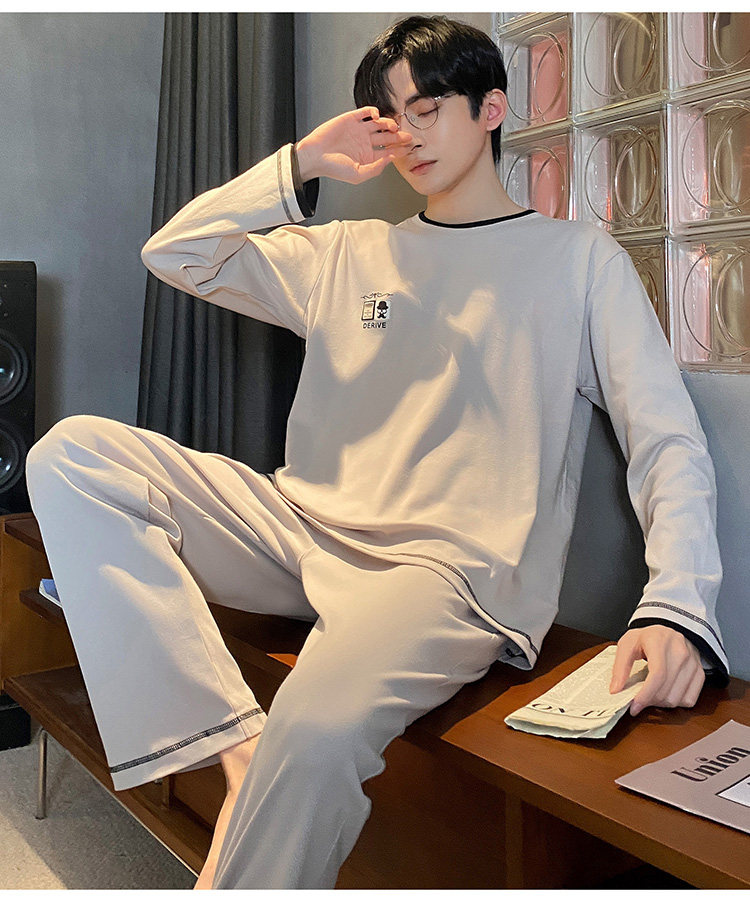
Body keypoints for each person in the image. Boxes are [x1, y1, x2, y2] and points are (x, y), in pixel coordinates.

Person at [24, 14, 729, 891]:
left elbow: (664, 437)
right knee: (72, 456)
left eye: (428, 107)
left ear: (492, 109)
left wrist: (677, 607)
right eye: (393, 116)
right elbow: (174, 252)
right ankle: (232, 744)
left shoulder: (577, 260)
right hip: (297, 526)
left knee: (316, 729)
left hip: (443, 574)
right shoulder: (346, 254)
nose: (409, 134)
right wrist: (302, 163)